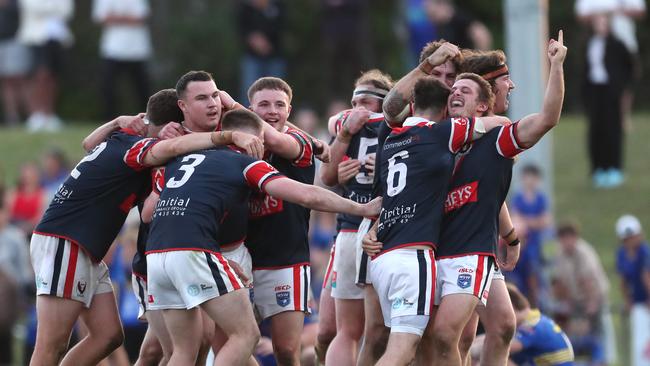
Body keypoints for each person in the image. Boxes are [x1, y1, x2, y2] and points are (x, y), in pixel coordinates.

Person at [27, 87, 261, 366]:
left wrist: (116, 122)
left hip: (85, 248)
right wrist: (229, 135)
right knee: (51, 344)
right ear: (173, 126)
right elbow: (170, 151)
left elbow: (88, 144)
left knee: (109, 336)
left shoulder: (121, 136)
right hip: (66, 240)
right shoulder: (137, 148)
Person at [145, 108, 381, 365]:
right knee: (246, 335)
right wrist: (361, 208)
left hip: (156, 256)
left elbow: (150, 214)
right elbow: (307, 195)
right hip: (192, 253)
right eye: (260, 143)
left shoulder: (186, 158)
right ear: (251, 140)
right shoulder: (243, 162)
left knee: (183, 351)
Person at [316, 69, 392, 366]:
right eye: (354, 101)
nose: (358, 108)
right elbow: (327, 176)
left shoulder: (397, 128)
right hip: (350, 229)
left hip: (387, 232)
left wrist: (382, 170)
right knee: (342, 329)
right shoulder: (345, 130)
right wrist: (344, 139)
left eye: (366, 102)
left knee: (380, 329)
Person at [582, 13, 633, 188]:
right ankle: (598, 168)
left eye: (603, 22)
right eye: (598, 21)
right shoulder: (591, 43)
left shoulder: (617, 44)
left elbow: (630, 66)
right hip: (595, 92)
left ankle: (614, 169)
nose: (600, 25)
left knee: (613, 130)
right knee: (596, 131)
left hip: (611, 92)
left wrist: (620, 85)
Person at [551, 220, 612, 365]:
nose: (566, 242)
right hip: (576, 301)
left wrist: (591, 308)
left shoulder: (584, 252)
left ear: (574, 237)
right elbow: (560, 282)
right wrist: (566, 303)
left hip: (595, 298)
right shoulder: (560, 255)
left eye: (569, 237)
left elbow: (588, 282)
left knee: (597, 335)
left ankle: (601, 361)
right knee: (577, 335)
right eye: (563, 238)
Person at [471, 283, 575, 365]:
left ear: (510, 306)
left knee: (496, 356)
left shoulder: (531, 326)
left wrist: (468, 349)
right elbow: (490, 338)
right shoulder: (536, 320)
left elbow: (499, 345)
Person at [17, 0, 74, 132]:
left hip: (57, 38)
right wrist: (53, 8)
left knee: (52, 78)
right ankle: (36, 114)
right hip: (36, 38)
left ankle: (49, 114)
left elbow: (66, 11)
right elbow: (33, 8)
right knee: (39, 76)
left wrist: (49, 9)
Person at [92, 0, 152, 120]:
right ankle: (109, 121)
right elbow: (101, 18)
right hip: (112, 49)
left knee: (142, 88)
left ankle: (148, 120)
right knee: (108, 87)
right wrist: (128, 17)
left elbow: (141, 18)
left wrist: (115, 17)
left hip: (137, 50)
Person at [615, 214, 650, 366]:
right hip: (638, 303)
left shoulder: (645, 252)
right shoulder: (622, 254)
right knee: (640, 343)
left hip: (647, 301)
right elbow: (623, 281)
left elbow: (646, 277)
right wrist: (628, 300)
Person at [238, 0, 286, 104]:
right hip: (252, 56)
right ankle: (249, 118)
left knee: (275, 90)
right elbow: (241, 28)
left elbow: (282, 27)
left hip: (275, 56)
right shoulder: (246, 7)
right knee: (249, 89)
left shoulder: (277, 6)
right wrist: (253, 39)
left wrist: (266, 43)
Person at [0, 0, 30, 126]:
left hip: (15, 41)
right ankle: (12, 117)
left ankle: (31, 116)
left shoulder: (17, 3)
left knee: (19, 79)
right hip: (2, 42)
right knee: (6, 82)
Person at [423, 0, 492, 50]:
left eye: (433, 14)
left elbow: (482, 36)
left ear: (442, 5)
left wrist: (480, 60)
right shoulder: (441, 26)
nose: (431, 19)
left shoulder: (460, 19)